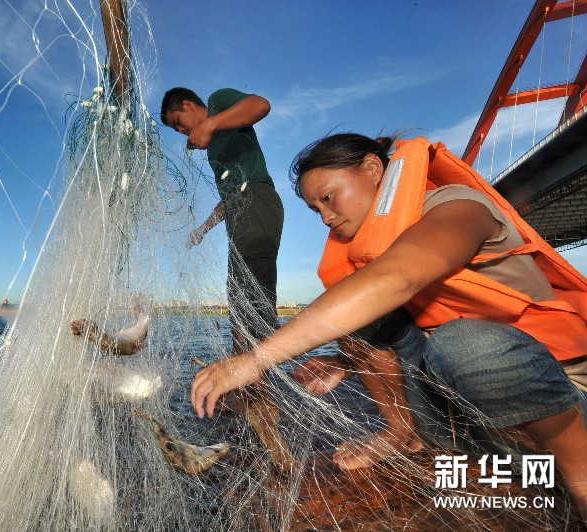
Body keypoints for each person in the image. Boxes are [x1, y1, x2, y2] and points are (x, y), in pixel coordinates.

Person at [190, 133, 587, 517]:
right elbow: (411, 323)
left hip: (558, 398)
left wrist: (255, 359)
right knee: (362, 315)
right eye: (316, 211)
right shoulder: (360, 253)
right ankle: (403, 433)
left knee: (463, 342)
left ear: (372, 168)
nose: (327, 217)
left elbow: (399, 279)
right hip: (465, 415)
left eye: (328, 198)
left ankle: (577, 470)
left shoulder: (459, 206)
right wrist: (348, 363)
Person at [161, 87, 283, 353]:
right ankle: (246, 376)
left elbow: (261, 104)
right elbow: (228, 198)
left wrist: (211, 125)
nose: (180, 131)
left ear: (188, 105)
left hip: (256, 199)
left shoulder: (219, 102)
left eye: (178, 124)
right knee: (238, 293)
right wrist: (203, 229)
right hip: (238, 211)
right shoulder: (214, 152)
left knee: (254, 290)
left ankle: (257, 378)